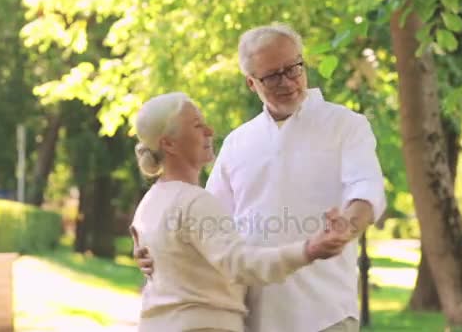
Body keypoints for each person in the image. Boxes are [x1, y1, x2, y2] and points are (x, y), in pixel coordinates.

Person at [135, 23, 386, 332]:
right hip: (253, 314)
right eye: (272, 76)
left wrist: (347, 225)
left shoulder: (346, 125)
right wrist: (152, 250)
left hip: (325, 312)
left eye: (293, 68)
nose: (287, 82)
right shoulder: (238, 142)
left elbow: (366, 188)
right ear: (251, 83)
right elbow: (205, 222)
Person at [130, 92, 352, 332]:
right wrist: (309, 250)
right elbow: (241, 264)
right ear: (168, 143)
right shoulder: (194, 202)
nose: (209, 131)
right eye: (197, 126)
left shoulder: (149, 203)